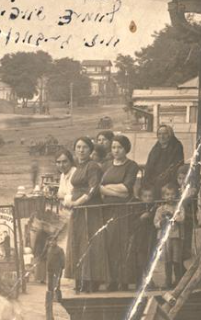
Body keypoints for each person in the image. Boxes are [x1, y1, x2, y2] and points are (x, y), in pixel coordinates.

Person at [99, 134, 141, 291]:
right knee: (109, 245)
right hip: (107, 210)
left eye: (119, 147)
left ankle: (124, 280)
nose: (116, 150)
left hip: (124, 211)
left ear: (126, 149)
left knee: (123, 245)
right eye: (113, 147)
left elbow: (127, 188)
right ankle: (111, 280)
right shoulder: (106, 165)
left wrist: (106, 189)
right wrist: (115, 190)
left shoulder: (132, 165)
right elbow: (99, 187)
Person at [64, 137, 105, 293]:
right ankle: (79, 278)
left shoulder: (93, 166)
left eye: (85, 147)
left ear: (90, 150)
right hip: (78, 212)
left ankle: (90, 282)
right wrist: (70, 201)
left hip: (90, 210)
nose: (81, 150)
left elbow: (93, 189)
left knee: (89, 243)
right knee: (78, 244)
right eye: (78, 147)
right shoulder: (78, 166)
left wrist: (77, 202)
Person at [155, 183, 187, 289]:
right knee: (167, 260)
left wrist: (173, 215)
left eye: (172, 194)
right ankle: (167, 281)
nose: (170, 197)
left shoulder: (179, 207)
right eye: (167, 194)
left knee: (176, 260)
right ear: (163, 196)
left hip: (176, 237)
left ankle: (178, 281)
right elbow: (156, 223)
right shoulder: (160, 209)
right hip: (165, 238)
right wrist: (162, 221)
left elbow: (182, 219)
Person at [143, 124, 185, 200]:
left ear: (170, 135)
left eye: (165, 134)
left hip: (170, 182)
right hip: (154, 181)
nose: (161, 136)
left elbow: (176, 166)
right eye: (159, 134)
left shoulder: (176, 147)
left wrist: (163, 179)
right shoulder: (155, 148)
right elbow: (149, 166)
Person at [43, 232, 66, 320]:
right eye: (50, 241)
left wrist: (62, 267)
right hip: (50, 269)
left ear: (56, 241)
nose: (52, 243)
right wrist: (46, 246)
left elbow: (63, 259)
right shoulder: (48, 249)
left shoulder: (60, 250)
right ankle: (51, 296)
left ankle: (58, 297)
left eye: (53, 241)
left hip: (57, 268)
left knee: (57, 283)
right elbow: (44, 257)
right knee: (50, 285)